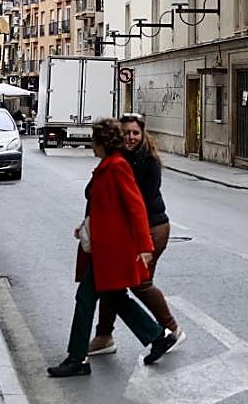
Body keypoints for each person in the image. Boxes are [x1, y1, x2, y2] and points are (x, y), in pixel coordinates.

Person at [47, 120, 180, 378]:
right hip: (106, 247)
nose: (91, 146)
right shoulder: (109, 165)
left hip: (113, 250)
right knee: (115, 297)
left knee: (86, 298)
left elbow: (136, 206)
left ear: (102, 142)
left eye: (93, 141)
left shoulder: (118, 167)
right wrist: (86, 226)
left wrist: (144, 246)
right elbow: (103, 205)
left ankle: (77, 358)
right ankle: (158, 336)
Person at [89, 112, 183, 356]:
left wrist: (142, 245)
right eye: (127, 133)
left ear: (143, 135)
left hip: (152, 229)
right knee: (114, 284)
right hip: (133, 231)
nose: (131, 137)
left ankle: (170, 329)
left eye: (135, 133)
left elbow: (137, 203)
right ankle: (104, 335)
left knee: (140, 283)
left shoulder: (145, 161)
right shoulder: (119, 158)